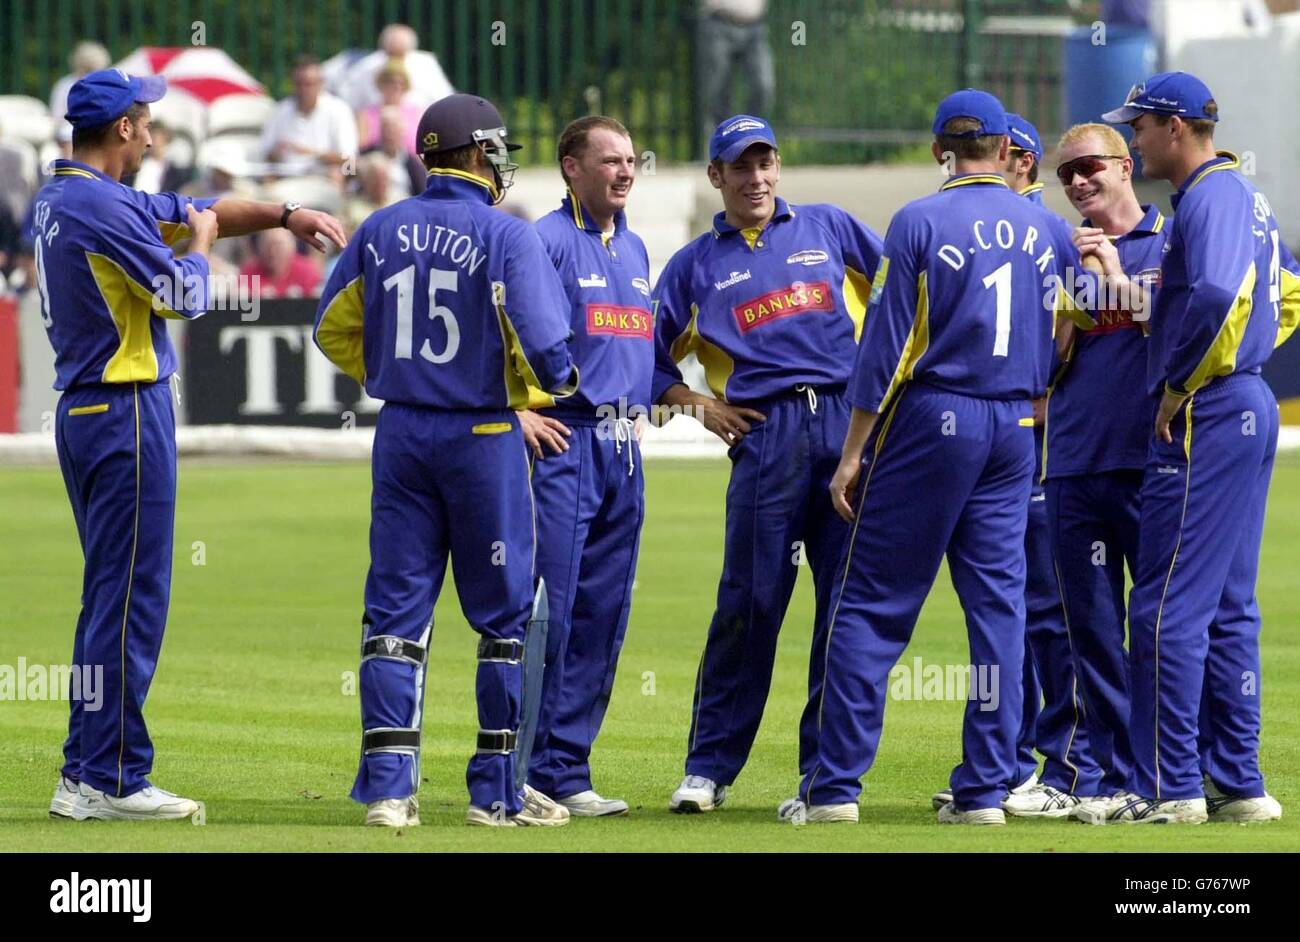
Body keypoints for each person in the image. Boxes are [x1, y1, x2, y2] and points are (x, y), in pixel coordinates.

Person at [37, 68, 345, 821]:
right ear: (122, 131)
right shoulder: (104, 207)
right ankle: (112, 777)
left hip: (84, 412)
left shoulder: (65, 196)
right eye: (146, 122)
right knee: (133, 598)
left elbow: (197, 208)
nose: (153, 134)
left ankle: (86, 770)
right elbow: (183, 293)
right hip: (125, 411)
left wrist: (283, 211)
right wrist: (203, 245)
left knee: (106, 596)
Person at [791, 90, 1077, 826]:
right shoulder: (1050, 228)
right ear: (1006, 148)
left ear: (937, 149)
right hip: (1014, 425)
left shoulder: (917, 221)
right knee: (998, 610)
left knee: (874, 603)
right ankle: (985, 791)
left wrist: (851, 454)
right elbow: (1067, 329)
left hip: (933, 418)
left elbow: (884, 351)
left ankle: (834, 789)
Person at [314, 93, 580, 829]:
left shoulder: (378, 228)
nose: (502, 164)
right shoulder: (508, 235)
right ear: (477, 155)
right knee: (505, 618)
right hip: (484, 439)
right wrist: (539, 389)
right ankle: (494, 792)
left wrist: (391, 378)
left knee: (395, 613)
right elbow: (550, 352)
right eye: (496, 151)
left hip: (401, 436)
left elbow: (332, 329)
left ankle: (390, 792)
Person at [652, 114, 883, 815]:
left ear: (778, 166)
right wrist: (696, 404)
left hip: (847, 426)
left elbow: (904, 302)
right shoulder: (695, 264)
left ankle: (825, 781)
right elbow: (640, 357)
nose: (756, 178)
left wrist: (884, 411)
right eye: (740, 167)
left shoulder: (830, 227)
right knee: (750, 603)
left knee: (846, 610)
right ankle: (708, 769)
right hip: (767, 434)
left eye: (766, 162)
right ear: (715, 176)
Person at [1085, 72, 1299, 824]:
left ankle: (1170, 788)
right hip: (1247, 401)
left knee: (1165, 606)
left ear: (1174, 127)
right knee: (1230, 606)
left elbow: (1213, 295)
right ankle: (1239, 784)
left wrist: (1183, 379)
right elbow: (1288, 290)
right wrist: (1248, 353)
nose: (1133, 140)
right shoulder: (1246, 195)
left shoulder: (1208, 196)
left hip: (1207, 408)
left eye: (1138, 127)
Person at [518, 116, 651, 817]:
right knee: (554, 611)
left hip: (624, 446)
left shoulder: (634, 247)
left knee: (605, 612)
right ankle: (523, 770)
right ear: (572, 167)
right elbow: (494, 329)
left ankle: (567, 768)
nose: (625, 171)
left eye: (630, 160)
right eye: (610, 161)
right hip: (566, 442)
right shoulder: (543, 243)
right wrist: (512, 411)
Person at [1043, 121, 1169, 820]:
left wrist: (1118, 280)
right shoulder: (1062, 255)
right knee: (1089, 630)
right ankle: (1107, 776)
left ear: (1125, 167)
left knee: (1161, 627)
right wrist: (1079, 298)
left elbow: (1176, 333)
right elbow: (1047, 366)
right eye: (1066, 175)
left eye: (1089, 167)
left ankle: (1176, 771)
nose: (1078, 182)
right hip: (1074, 466)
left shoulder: (1173, 240)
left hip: (1153, 464)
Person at [260, 56, 358, 180]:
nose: (303, 90)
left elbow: (350, 161)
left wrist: (313, 154)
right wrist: (277, 154)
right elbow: (265, 155)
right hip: (285, 181)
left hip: (324, 180)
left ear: (321, 84)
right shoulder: (280, 111)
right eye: (299, 84)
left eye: (309, 84)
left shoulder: (339, 110)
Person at [696, 1, 774, 148]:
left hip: (755, 24)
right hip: (718, 21)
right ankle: (721, 144)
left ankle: (752, 138)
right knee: (718, 89)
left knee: (763, 85)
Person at [340, 23, 454, 112]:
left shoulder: (426, 65)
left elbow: (444, 100)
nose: (395, 59)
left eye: (400, 54)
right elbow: (350, 101)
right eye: (391, 53)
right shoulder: (367, 66)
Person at [357, 60, 422, 154]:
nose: (396, 87)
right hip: (375, 162)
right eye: (391, 82)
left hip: (409, 165)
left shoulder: (417, 113)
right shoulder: (366, 115)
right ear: (381, 84)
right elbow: (360, 147)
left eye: (401, 83)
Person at [240, 226, 324, 298]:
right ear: (260, 248)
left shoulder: (307, 270)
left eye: (278, 246)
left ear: (291, 248)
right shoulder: (249, 271)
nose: (272, 252)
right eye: (267, 246)